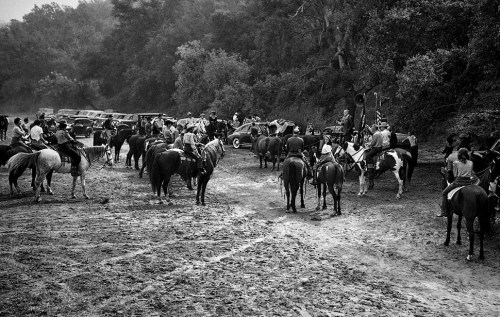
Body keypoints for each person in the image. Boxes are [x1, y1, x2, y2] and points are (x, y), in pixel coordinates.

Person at [438, 148, 478, 217]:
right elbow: (471, 173)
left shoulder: (456, 163)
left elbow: (455, 174)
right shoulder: (471, 163)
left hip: (458, 182)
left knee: (444, 193)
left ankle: (444, 211)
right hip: (468, 183)